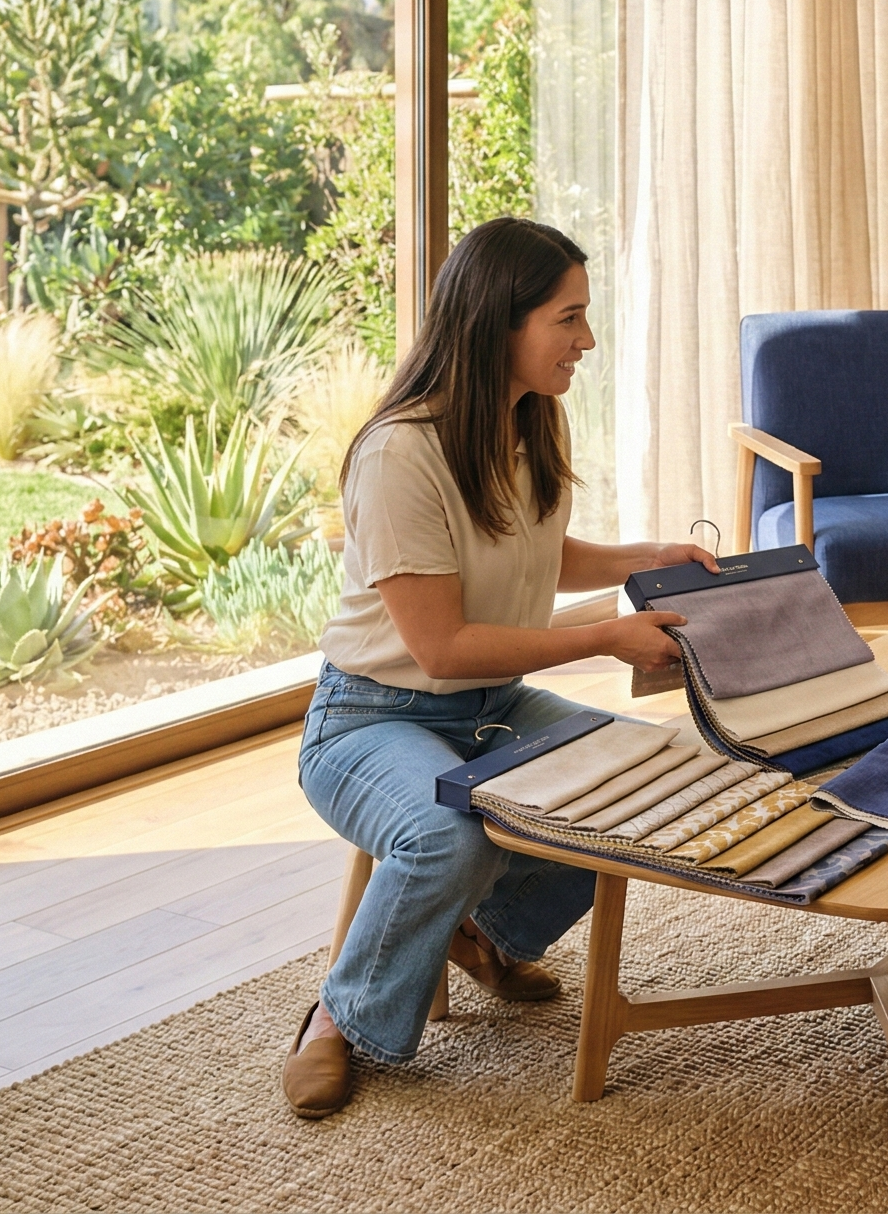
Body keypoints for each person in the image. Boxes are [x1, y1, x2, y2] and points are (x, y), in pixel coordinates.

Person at [285, 217, 715, 1118]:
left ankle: (477, 932)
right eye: (569, 318)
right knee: (452, 833)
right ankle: (339, 1014)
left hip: (489, 705)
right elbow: (441, 643)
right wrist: (604, 637)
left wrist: (650, 559)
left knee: (646, 775)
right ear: (499, 322)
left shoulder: (525, 424)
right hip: (372, 717)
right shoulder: (400, 454)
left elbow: (536, 556)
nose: (586, 341)